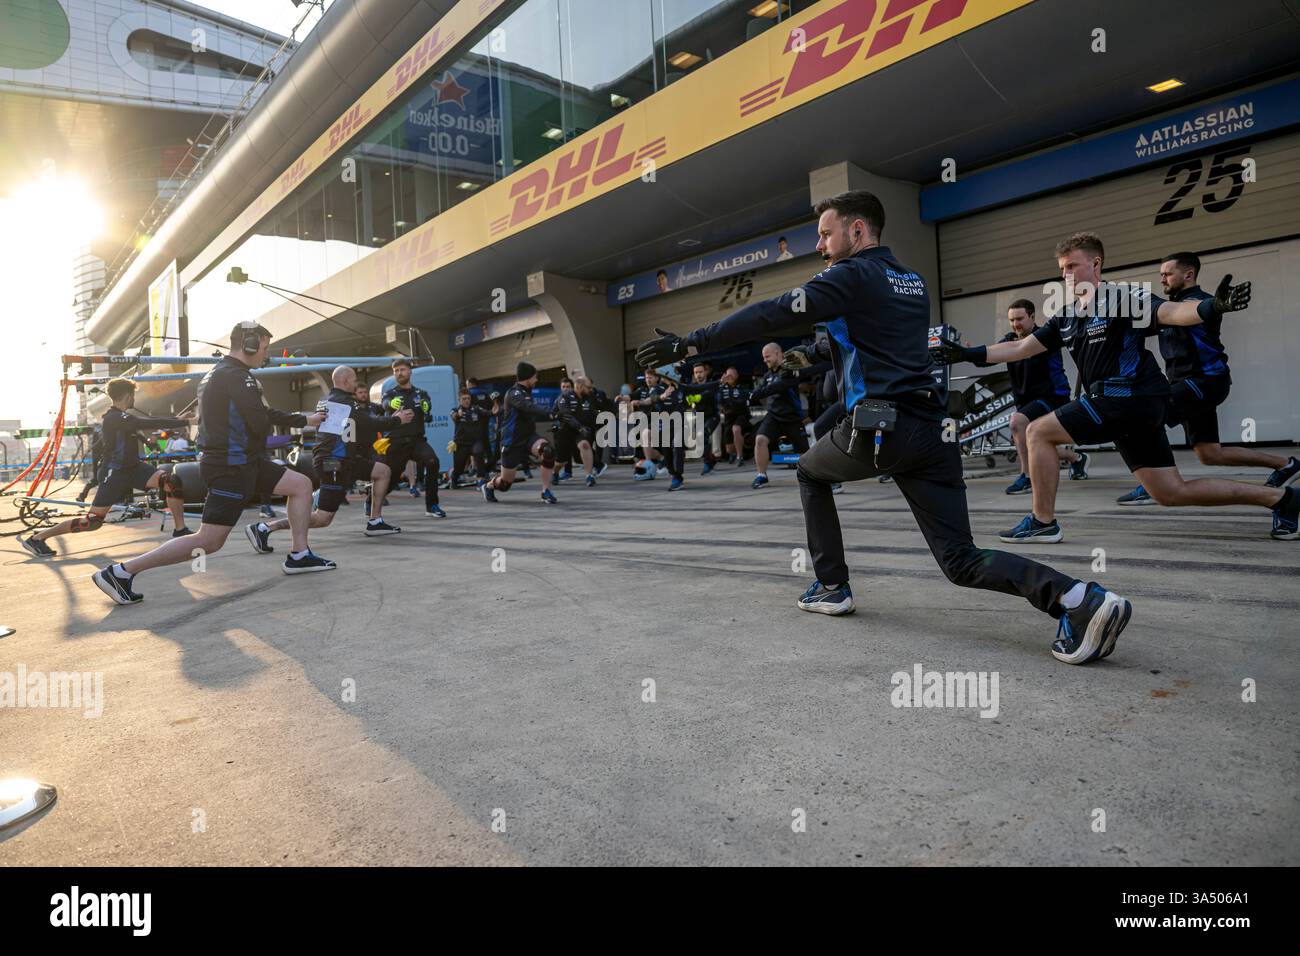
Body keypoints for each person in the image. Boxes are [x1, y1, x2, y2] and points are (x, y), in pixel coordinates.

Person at [637, 190, 1137, 665]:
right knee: (960, 560)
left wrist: (691, 344)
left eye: (826, 234)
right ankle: (1079, 598)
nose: (819, 245)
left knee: (811, 473)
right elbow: (865, 339)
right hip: (933, 431)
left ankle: (832, 586)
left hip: (881, 426)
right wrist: (804, 356)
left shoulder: (851, 274)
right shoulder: (909, 280)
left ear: (857, 231)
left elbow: (771, 312)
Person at [941, 232, 1295, 541]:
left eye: (1073, 266)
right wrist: (966, 353)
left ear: (1096, 265)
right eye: (1062, 268)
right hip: (1131, 407)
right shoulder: (1066, 317)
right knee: (1170, 492)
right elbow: (1019, 348)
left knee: (1037, 431)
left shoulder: (1123, 299)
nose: (1066, 274)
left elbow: (1171, 313)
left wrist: (1210, 307)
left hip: (1128, 397)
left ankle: (1043, 522)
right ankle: (1281, 500)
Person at [91, 321, 331, 605]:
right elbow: (259, 418)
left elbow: (256, 413)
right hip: (232, 465)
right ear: (250, 345)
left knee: (301, 485)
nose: (265, 355)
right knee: (209, 541)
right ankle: (121, 572)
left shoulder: (223, 373)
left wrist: (303, 420)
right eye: (264, 348)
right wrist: (301, 421)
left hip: (244, 460)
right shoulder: (237, 376)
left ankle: (299, 555)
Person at [1116, 251, 1300, 504]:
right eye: (1161, 275)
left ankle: (1155, 484)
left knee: (1146, 417)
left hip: (1203, 381)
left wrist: (1214, 306)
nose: (1163, 280)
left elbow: (1199, 310)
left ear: (1188, 274)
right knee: (1210, 453)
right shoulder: (1167, 308)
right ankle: (1287, 464)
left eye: (1168, 274)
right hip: (1190, 384)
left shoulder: (1200, 302)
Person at [22, 378, 194, 558]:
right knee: (92, 522)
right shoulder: (114, 417)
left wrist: (177, 420)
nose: (134, 399)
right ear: (128, 396)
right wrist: (186, 422)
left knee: (171, 481)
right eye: (133, 395)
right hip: (115, 473)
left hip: (134, 468)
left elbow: (146, 425)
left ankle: (180, 530)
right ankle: (37, 538)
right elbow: (145, 423)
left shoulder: (123, 418)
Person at [247, 366, 411, 551]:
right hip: (333, 462)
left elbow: (356, 427)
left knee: (382, 471)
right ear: (345, 381)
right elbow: (369, 423)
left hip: (344, 459)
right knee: (323, 518)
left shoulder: (329, 400)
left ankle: (375, 521)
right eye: (354, 380)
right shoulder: (345, 403)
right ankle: (264, 528)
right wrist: (397, 420)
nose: (357, 383)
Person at [994, 299, 1086, 495]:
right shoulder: (1009, 339)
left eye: (1019, 318)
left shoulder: (1046, 336)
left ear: (1032, 317)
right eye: (1011, 320)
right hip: (1027, 400)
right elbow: (989, 357)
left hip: (1053, 396)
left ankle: (1027, 477)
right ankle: (1076, 458)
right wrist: (966, 354)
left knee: (1017, 423)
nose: (1015, 324)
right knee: (1033, 443)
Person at [480, 362, 576, 504]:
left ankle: (546, 491)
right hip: (512, 441)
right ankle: (488, 486)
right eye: (535, 377)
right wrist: (551, 414)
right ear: (528, 377)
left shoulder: (526, 391)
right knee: (505, 484)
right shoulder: (513, 393)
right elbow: (527, 407)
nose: (536, 380)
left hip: (529, 437)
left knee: (547, 451)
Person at [381, 357, 446, 518]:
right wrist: (390, 404)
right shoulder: (390, 394)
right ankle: (371, 501)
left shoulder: (421, 394)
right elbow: (385, 403)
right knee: (391, 479)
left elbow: (428, 415)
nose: (399, 373)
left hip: (417, 441)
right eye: (396, 371)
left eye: (402, 370)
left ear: (410, 371)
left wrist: (427, 408)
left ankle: (432, 505)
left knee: (433, 462)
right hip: (397, 442)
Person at [748, 342, 809, 489]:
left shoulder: (789, 370)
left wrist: (755, 393)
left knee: (806, 453)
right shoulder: (768, 375)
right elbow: (760, 390)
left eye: (767, 356)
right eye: (763, 357)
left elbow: (775, 388)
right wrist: (750, 395)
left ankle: (824, 480)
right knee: (760, 440)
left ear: (777, 354)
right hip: (773, 415)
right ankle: (761, 476)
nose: (765, 360)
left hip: (792, 416)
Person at [449, 389, 490, 487]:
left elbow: (488, 412)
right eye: (464, 399)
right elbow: (454, 416)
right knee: (459, 468)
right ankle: (454, 478)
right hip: (461, 443)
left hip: (475, 441)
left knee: (479, 452)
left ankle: (481, 479)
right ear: (459, 400)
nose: (467, 401)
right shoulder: (454, 410)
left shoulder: (476, 409)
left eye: (468, 398)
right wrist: (457, 415)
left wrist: (495, 410)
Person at [716, 367, 751, 464]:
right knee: (729, 448)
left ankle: (740, 457)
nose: (730, 377)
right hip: (728, 417)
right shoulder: (721, 388)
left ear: (737, 376)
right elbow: (718, 402)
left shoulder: (743, 387)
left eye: (733, 375)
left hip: (741, 415)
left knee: (736, 429)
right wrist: (721, 408)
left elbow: (744, 401)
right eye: (728, 375)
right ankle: (734, 454)